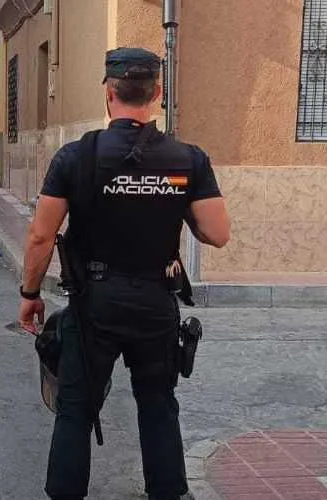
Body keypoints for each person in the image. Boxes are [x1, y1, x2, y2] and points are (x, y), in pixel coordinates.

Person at [18, 47, 231, 500]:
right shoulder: (187, 159)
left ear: (108, 92)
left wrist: (30, 293)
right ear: (157, 94)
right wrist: (174, 201)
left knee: (75, 409)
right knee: (158, 406)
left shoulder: (75, 157)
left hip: (94, 307)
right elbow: (217, 233)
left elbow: (40, 236)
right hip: (155, 303)